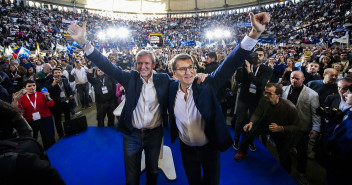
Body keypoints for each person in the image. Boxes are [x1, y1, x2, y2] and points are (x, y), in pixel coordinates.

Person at [168, 12, 270, 185]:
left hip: (210, 148)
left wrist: (254, 33)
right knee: (193, 181)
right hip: (186, 149)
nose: (188, 72)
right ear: (173, 73)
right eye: (182, 69)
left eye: (191, 67)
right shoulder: (169, 88)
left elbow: (230, 62)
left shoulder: (206, 84)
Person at [68, 22, 171, 185]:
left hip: (155, 134)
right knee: (131, 177)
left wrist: (199, 77)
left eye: (147, 63)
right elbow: (106, 65)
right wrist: (83, 43)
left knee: (153, 171)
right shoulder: (130, 77)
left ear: (154, 65)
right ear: (135, 64)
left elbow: (182, 85)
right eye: (139, 63)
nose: (143, 67)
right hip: (132, 134)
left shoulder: (163, 79)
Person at [235, 83, 299, 174]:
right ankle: (243, 151)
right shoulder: (264, 100)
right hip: (267, 124)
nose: (265, 95)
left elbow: (296, 127)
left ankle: (287, 173)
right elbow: (257, 113)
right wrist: (251, 122)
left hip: (282, 131)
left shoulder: (290, 107)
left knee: (284, 154)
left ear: (278, 95)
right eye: (265, 92)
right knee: (248, 130)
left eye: (269, 93)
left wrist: (281, 128)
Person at [281, 71, 320, 185]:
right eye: (292, 78)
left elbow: (316, 114)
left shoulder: (312, 94)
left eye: (297, 78)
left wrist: (315, 128)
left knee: (302, 152)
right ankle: (284, 170)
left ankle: (301, 172)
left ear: (303, 79)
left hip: (302, 127)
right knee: (285, 149)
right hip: (285, 126)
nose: (294, 80)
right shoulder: (283, 89)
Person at [323, 85, 352, 185]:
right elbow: (337, 128)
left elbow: (348, 141)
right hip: (333, 156)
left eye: (349, 92)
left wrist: (332, 142)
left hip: (343, 161)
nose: (345, 94)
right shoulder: (349, 111)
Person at [14, 80, 56, 150]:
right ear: (24, 88)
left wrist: (48, 97)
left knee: (49, 137)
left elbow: (51, 104)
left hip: (45, 118)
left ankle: (51, 152)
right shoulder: (21, 98)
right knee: (33, 138)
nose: (32, 87)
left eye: (34, 85)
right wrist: (15, 101)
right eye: (29, 86)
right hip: (30, 120)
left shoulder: (42, 94)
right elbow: (18, 111)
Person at [45, 68, 74, 138]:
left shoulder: (64, 79)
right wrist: (53, 84)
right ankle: (60, 134)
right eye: (56, 73)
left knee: (67, 116)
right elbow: (46, 91)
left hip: (66, 101)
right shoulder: (49, 81)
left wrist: (71, 94)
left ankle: (68, 130)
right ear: (53, 74)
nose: (57, 74)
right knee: (58, 119)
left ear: (61, 73)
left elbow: (68, 88)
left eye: (59, 72)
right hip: (56, 103)